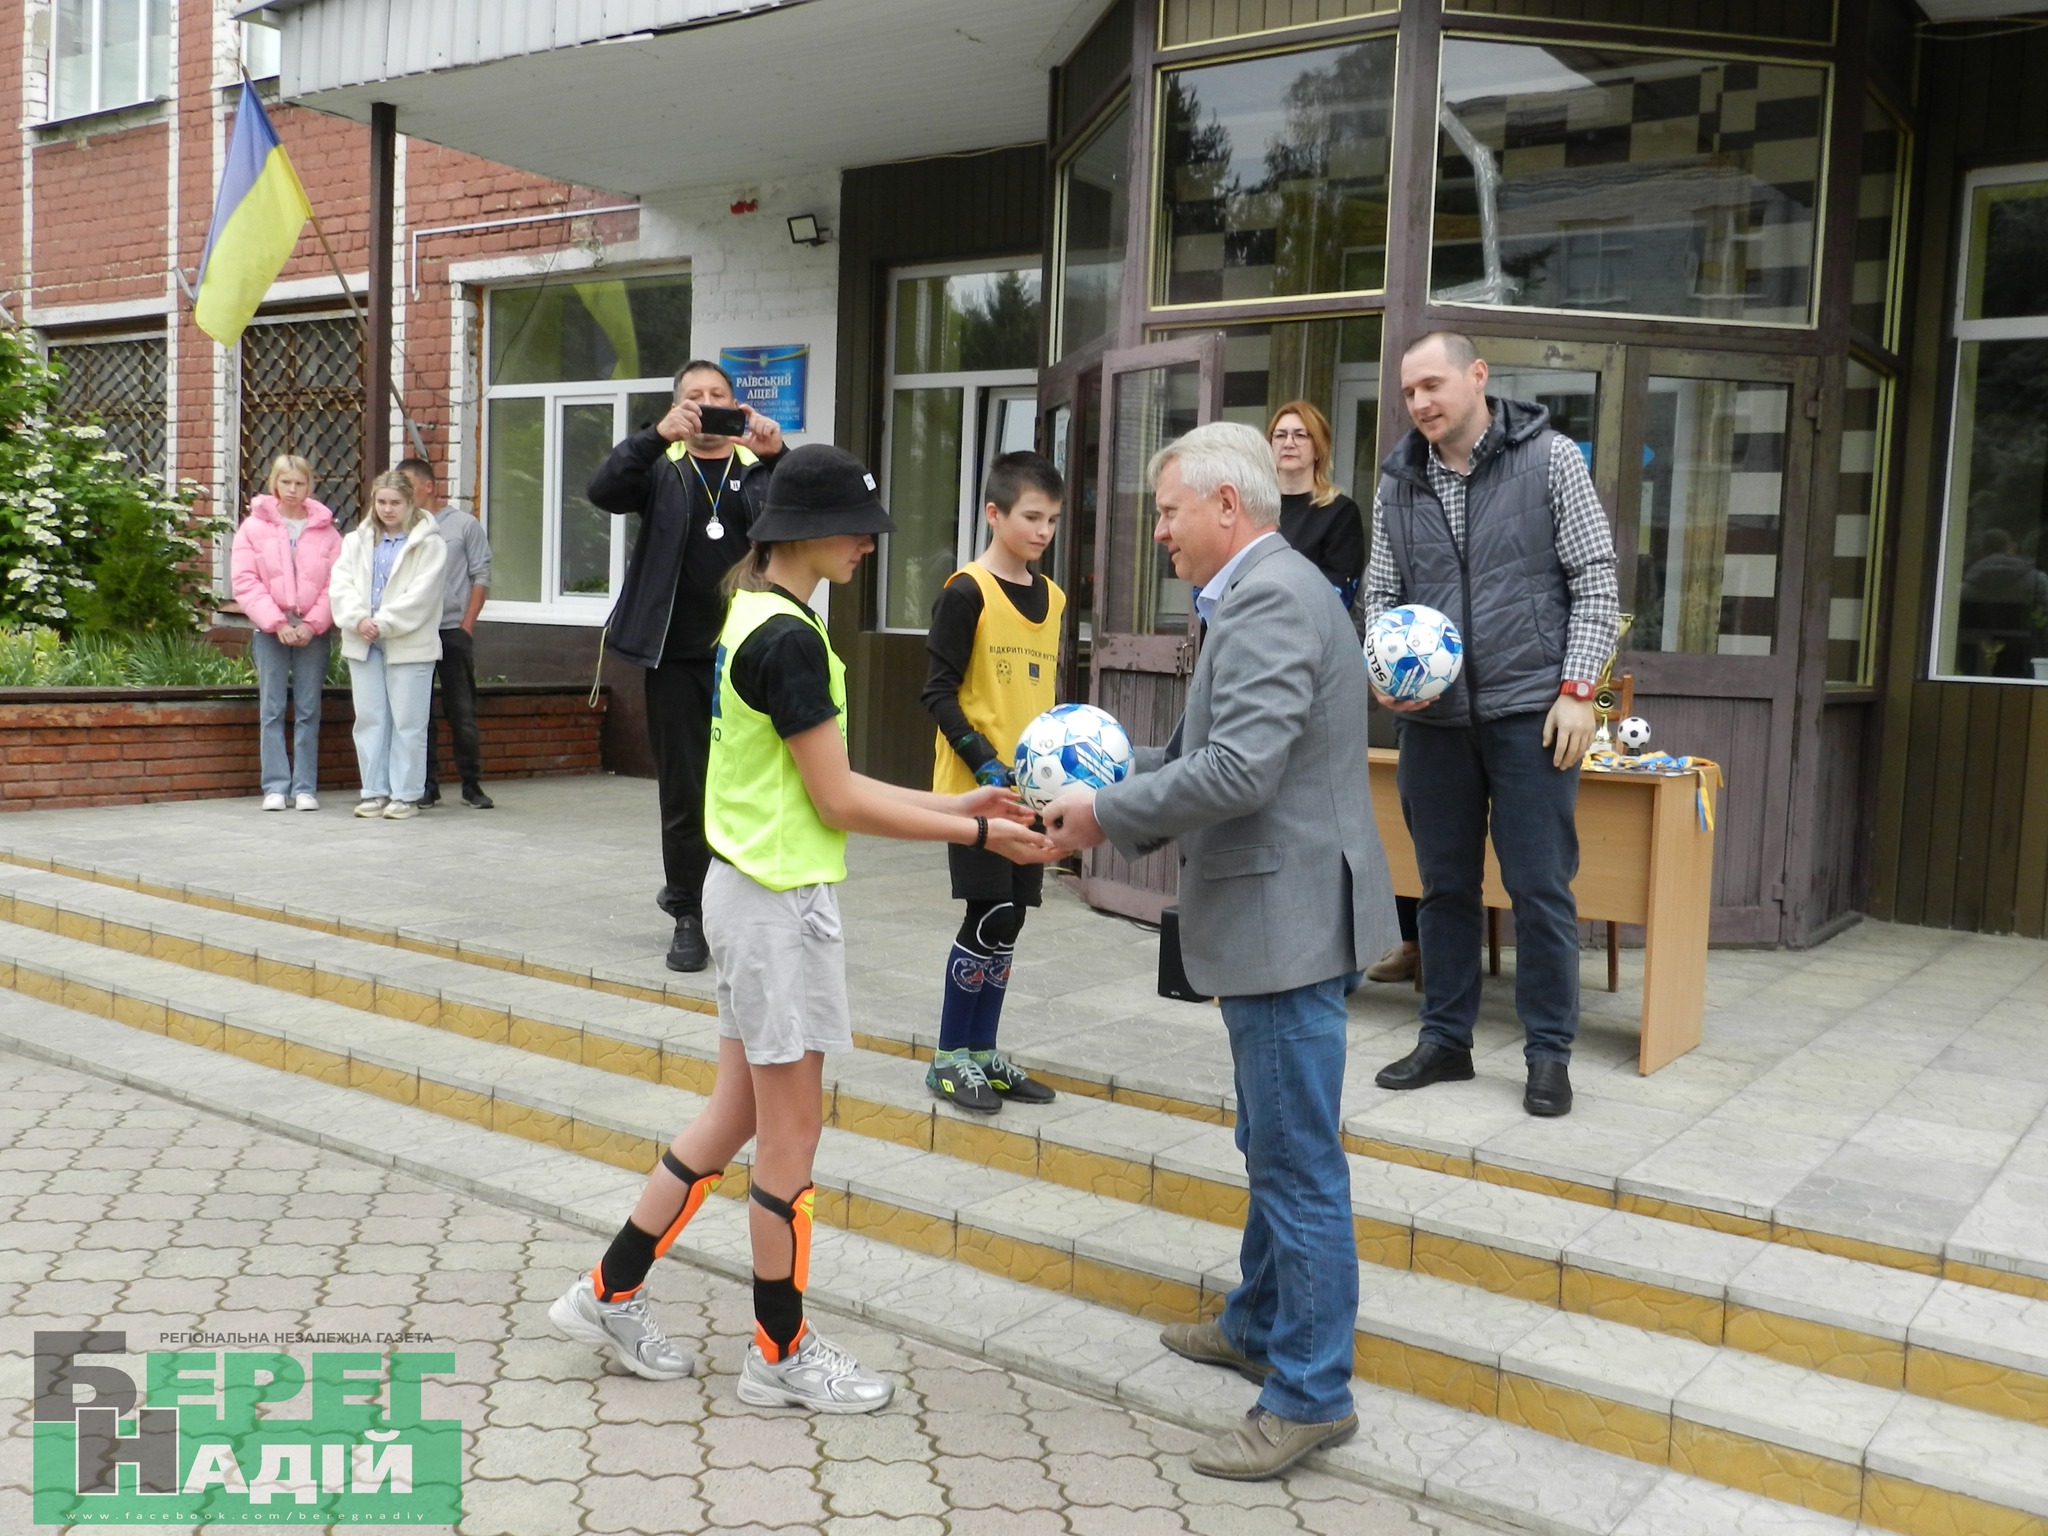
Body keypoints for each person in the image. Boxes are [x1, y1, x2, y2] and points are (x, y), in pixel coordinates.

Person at [548, 444, 1055, 1412]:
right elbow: (837, 800)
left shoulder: (762, 614)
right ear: (808, 532)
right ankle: (778, 1353)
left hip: (751, 893)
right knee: (791, 1136)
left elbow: (830, 781)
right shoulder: (785, 638)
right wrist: (979, 829)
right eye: (858, 530)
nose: (868, 545)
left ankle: (606, 1293)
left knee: (734, 1118)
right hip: (774, 907)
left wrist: (960, 804)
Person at [1044, 421, 1397, 1483]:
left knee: (1295, 1163)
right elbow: (1211, 752)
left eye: (1167, 511)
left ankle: (1309, 1395)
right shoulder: (1262, 591)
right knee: (1270, 1141)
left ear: (1226, 507)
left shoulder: (1273, 598)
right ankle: (1256, 1323)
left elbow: (1240, 771)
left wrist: (1103, 814)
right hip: (1278, 918)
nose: (1158, 532)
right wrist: (1105, 771)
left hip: (1287, 925)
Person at [1360, 332, 1619, 1119]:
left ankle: (1549, 1054)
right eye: (1409, 392)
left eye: (1432, 385)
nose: (1420, 403)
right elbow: (1379, 596)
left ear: (1477, 376)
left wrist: (1579, 691)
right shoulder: (1399, 480)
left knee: (1539, 888)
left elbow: (1597, 579)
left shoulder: (1551, 459)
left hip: (1533, 715)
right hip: (1434, 721)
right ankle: (1446, 1039)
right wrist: (1386, 676)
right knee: (1443, 888)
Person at [588, 361, 786, 972]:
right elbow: (604, 491)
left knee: (750, 785)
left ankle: (744, 909)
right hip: (673, 656)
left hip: (747, 655)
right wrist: (655, 435)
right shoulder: (660, 466)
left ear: (736, 403)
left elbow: (808, 521)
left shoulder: (758, 470)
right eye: (693, 396)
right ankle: (688, 915)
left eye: (716, 394)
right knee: (684, 791)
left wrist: (779, 456)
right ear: (678, 406)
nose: (705, 403)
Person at [919, 450, 1067, 1113]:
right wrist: (982, 759)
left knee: (1013, 921)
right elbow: (936, 692)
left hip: (1033, 792)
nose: (1043, 531)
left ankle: (983, 1055)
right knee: (989, 913)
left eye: (1052, 520)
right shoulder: (966, 592)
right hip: (978, 790)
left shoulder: (1053, 598)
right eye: (1031, 517)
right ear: (994, 514)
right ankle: (949, 1058)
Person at [329, 469, 448, 821]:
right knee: (370, 719)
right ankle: (374, 790)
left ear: (410, 502)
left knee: (408, 722)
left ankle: (405, 794)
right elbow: (341, 585)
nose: (387, 509)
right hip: (364, 641)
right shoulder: (356, 541)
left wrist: (383, 622)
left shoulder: (430, 544)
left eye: (395, 502)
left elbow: (422, 596)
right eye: (381, 502)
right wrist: (358, 619)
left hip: (409, 642)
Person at [230, 455, 342, 812]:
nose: (292, 490)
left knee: (309, 709)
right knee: (272, 708)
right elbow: (245, 581)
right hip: (270, 631)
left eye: (300, 483)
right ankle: (276, 786)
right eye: (286, 482)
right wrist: (276, 623)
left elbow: (337, 583)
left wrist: (312, 625)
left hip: (313, 631)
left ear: (310, 485)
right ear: (274, 484)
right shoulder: (253, 528)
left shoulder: (328, 532)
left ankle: (305, 786)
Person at [398, 459, 495, 810]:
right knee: (419, 713)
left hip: (453, 630)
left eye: (408, 486)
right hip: (416, 631)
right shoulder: (402, 528)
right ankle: (427, 785)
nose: (403, 493)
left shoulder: (463, 525)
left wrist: (467, 626)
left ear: (429, 486)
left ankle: (471, 785)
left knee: (462, 710)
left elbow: (481, 575)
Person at [1268, 400, 1366, 612]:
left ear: (1318, 448)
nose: (1288, 443)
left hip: (1305, 625)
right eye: (1280, 435)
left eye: (1300, 435)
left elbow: (1338, 594)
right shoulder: (1254, 507)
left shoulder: (1340, 513)